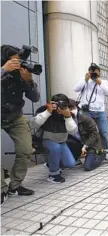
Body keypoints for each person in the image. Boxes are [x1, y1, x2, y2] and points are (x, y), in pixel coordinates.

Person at [1, 45, 40, 203]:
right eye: (14, 61)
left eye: (20, 60)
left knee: (25, 149)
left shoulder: (21, 74)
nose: (18, 64)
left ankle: (15, 185)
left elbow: (36, 98)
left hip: (16, 116)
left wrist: (29, 81)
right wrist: (3, 70)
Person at [30, 94, 77, 183]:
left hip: (61, 141)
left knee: (70, 163)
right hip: (45, 139)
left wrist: (67, 116)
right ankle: (53, 175)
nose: (60, 106)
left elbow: (73, 131)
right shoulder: (44, 110)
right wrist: (48, 112)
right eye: (57, 104)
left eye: (63, 104)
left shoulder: (68, 114)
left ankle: (50, 163)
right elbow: (33, 125)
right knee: (56, 148)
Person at [73, 63, 108, 163]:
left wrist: (99, 82)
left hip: (100, 111)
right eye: (92, 72)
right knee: (85, 132)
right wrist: (85, 80)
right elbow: (76, 89)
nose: (94, 74)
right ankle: (84, 153)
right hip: (87, 111)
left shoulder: (103, 82)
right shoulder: (84, 80)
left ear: (99, 72)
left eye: (96, 72)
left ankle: (107, 152)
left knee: (104, 132)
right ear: (89, 72)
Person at [66, 99, 106, 171]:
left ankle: (102, 155)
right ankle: (75, 158)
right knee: (67, 142)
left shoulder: (85, 118)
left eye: (72, 108)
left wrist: (85, 145)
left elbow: (94, 134)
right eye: (69, 109)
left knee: (88, 167)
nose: (71, 111)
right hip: (79, 143)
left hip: (92, 144)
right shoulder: (66, 119)